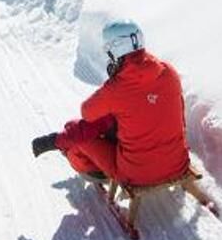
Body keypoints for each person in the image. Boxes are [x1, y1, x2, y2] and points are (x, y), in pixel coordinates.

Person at [30, 20, 190, 189]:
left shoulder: (116, 90)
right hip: (178, 163)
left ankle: (98, 173)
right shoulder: (169, 72)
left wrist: (55, 141)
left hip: (136, 174)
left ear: (115, 49)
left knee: (76, 140)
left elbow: (87, 114)